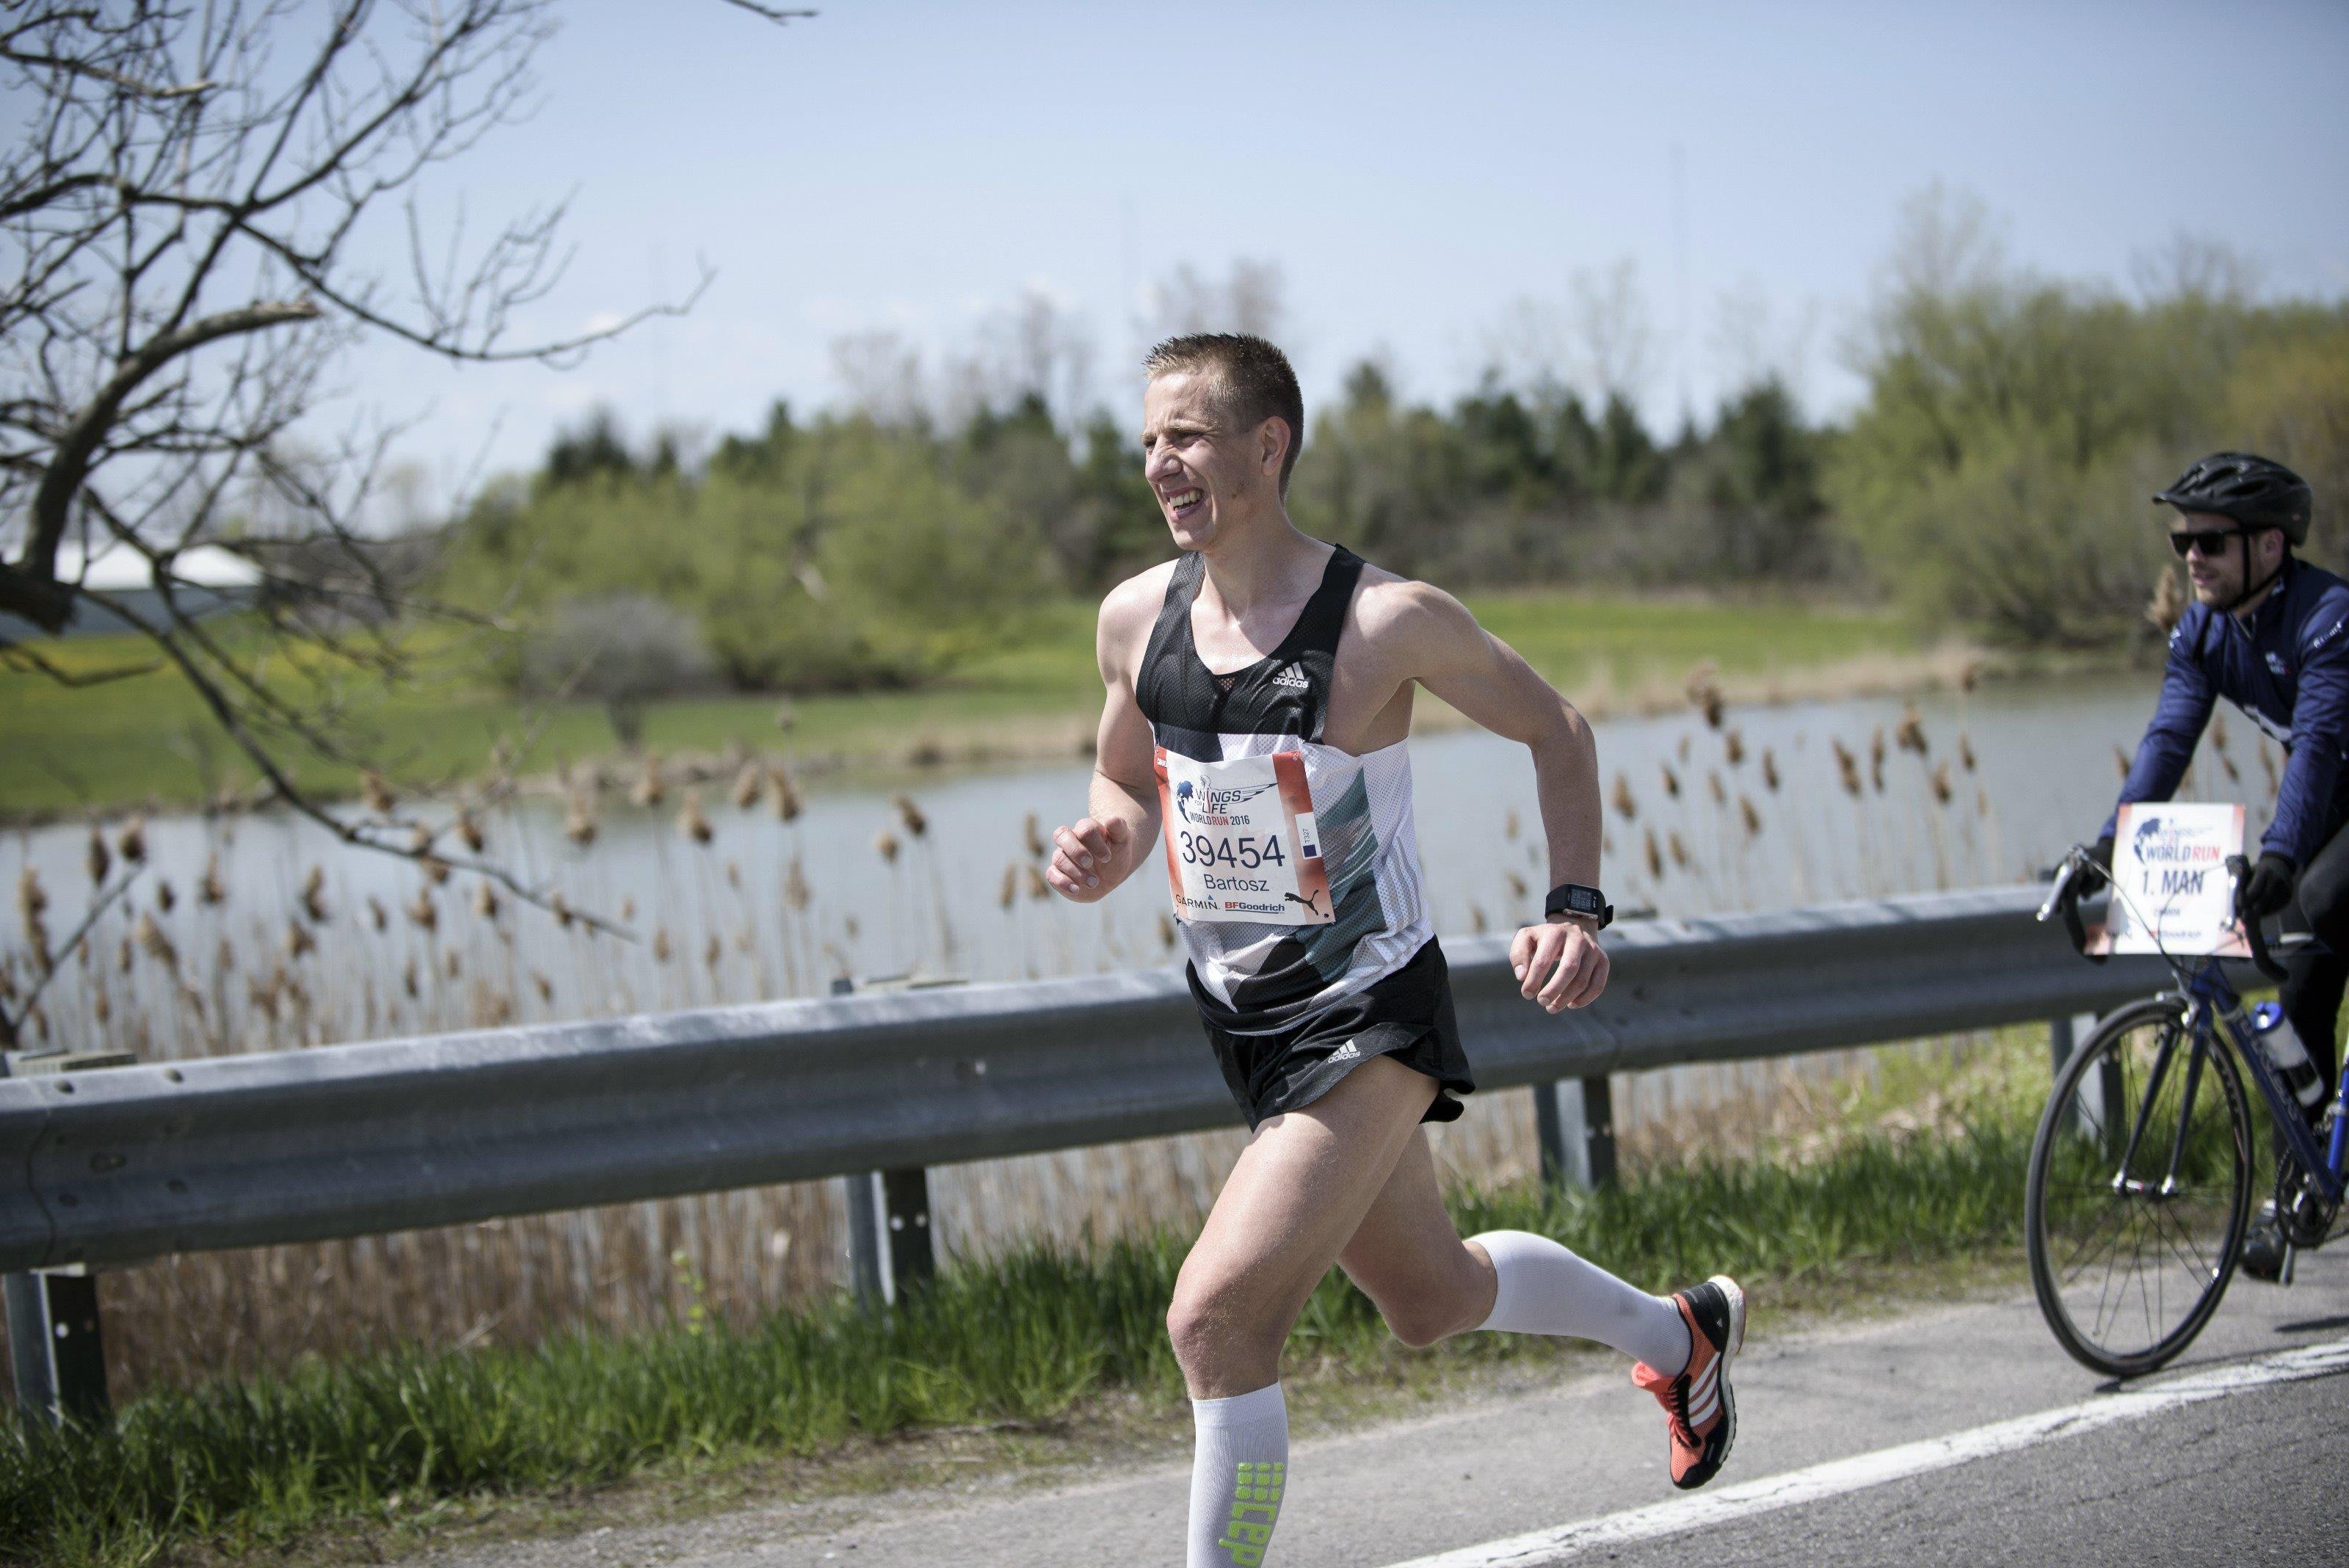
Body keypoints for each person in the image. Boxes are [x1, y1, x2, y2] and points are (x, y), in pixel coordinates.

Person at [1045, 333, 1743, 1567]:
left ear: (1269, 444)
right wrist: (1109, 837)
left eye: (1188, 435)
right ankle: (1678, 1337)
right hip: (1243, 1019)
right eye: (1149, 439)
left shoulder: (1383, 621)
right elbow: (1125, 777)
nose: (1161, 462)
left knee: (1215, 1322)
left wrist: (1575, 906)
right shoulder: (1134, 619)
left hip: (1367, 1013)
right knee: (1430, 1301)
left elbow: (1558, 729)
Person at [2080, 451, 2346, 1280]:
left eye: (2211, 542)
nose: (2191, 557)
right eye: (2181, 541)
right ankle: (2306, 1180)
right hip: (2337, 805)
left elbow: (2317, 748)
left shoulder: (2328, 619)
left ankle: (2303, 1175)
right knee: (2298, 967)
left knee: (2311, 910)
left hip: (2334, 789)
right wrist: (2109, 843)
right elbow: (2168, 740)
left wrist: (2281, 853)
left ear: (2269, 546)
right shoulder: (2203, 631)